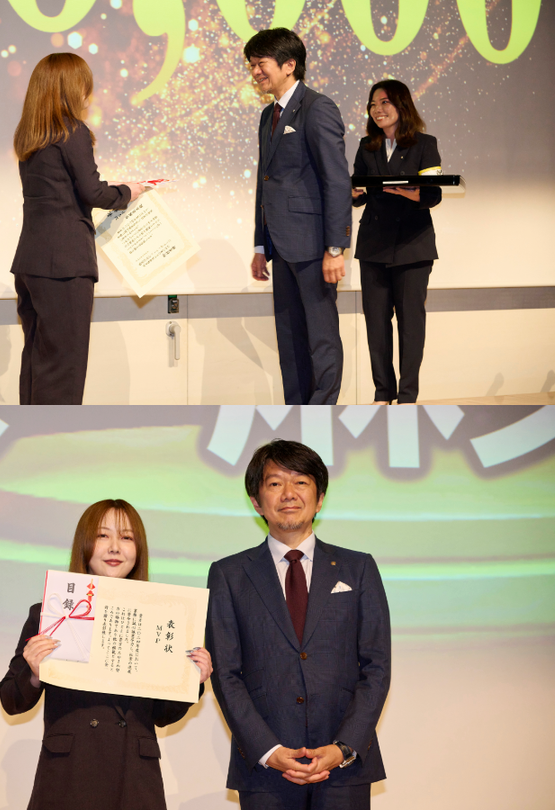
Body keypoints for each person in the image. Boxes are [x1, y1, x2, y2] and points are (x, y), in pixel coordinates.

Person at [206, 440, 391, 809]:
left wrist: (343, 748)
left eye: (301, 482)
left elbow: (377, 666)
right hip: (265, 773)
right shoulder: (229, 574)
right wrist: (268, 750)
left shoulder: (358, 568)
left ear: (319, 498)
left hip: (344, 769)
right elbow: (225, 673)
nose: (288, 493)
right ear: (256, 501)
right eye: (275, 483)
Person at [0, 500, 212, 809]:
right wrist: (33, 673)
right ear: (84, 543)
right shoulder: (50, 613)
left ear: (138, 549)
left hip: (135, 779)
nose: (115, 547)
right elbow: (11, 700)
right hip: (69, 775)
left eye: (126, 537)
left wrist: (192, 680)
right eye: (102, 536)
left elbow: (163, 715)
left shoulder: (162, 615)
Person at [9, 53, 142, 405]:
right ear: (70, 88)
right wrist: (129, 191)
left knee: (38, 361)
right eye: (85, 85)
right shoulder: (72, 131)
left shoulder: (30, 136)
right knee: (63, 368)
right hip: (65, 266)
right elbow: (92, 192)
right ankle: (56, 434)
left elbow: (65, 190)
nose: (88, 94)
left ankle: (32, 432)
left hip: (30, 263)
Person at [245, 28, 351, 405]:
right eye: (251, 65)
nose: (255, 71)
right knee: (290, 338)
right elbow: (266, 182)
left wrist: (335, 248)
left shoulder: (317, 107)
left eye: (261, 63)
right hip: (280, 244)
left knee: (321, 337)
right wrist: (261, 245)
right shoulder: (268, 115)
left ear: (289, 65)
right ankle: (297, 412)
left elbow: (336, 180)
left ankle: (323, 411)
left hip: (312, 245)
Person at [351, 79, 442, 404]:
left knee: (410, 324)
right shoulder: (366, 146)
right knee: (376, 323)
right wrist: (353, 193)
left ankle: (407, 396)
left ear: (402, 105)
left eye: (385, 102)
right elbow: (358, 195)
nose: (377, 109)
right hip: (373, 245)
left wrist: (405, 190)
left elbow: (433, 194)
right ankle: (382, 392)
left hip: (412, 245)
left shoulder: (424, 144)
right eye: (373, 104)